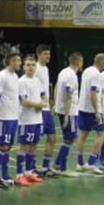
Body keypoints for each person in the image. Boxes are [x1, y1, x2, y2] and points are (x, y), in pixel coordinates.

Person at [0, 51, 22, 187]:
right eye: (18, 61)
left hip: (13, 116)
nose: (20, 63)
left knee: (8, 146)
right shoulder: (2, 76)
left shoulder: (15, 76)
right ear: (11, 61)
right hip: (4, 116)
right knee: (3, 146)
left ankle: (5, 175)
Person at [15, 55, 47, 187]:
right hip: (26, 120)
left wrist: (44, 102)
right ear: (24, 67)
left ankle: (29, 172)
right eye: (28, 65)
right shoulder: (21, 82)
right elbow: (24, 101)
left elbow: (44, 95)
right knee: (23, 147)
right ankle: (19, 175)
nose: (31, 67)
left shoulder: (37, 81)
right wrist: (39, 105)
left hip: (37, 119)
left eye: (33, 65)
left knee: (33, 146)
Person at [75, 52, 104, 175]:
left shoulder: (87, 71)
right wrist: (97, 111)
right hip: (90, 110)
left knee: (83, 135)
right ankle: (91, 162)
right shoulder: (97, 74)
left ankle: (79, 163)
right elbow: (93, 93)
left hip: (82, 107)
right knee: (102, 134)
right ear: (103, 62)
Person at [52, 52, 83, 176]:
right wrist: (66, 114)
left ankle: (58, 163)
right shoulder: (71, 76)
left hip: (62, 109)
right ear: (78, 62)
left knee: (69, 138)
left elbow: (56, 88)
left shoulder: (63, 72)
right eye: (81, 61)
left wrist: (56, 104)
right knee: (70, 138)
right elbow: (68, 96)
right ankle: (62, 167)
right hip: (70, 111)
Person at [34, 45, 58, 176]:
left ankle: (45, 167)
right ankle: (31, 167)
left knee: (52, 137)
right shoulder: (36, 68)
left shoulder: (46, 69)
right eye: (45, 54)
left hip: (47, 109)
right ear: (38, 54)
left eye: (49, 54)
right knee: (36, 140)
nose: (48, 56)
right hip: (39, 109)